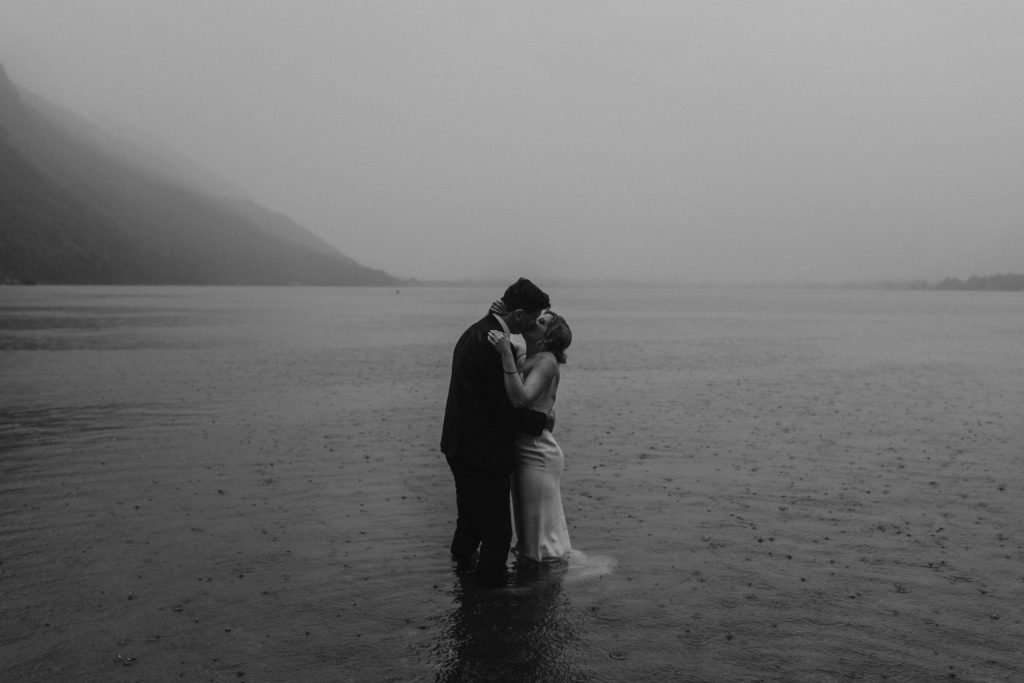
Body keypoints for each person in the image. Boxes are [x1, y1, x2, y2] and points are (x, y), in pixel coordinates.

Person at [440, 277, 552, 585]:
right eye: (532, 316)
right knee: (498, 532)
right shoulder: (489, 343)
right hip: (481, 452)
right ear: (518, 315)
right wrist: (542, 421)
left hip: (459, 444)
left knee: (470, 522)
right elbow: (503, 407)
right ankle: (490, 597)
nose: (533, 322)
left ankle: (462, 584)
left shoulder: (478, 332)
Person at [486, 308, 573, 563]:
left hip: (537, 452)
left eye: (541, 322)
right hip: (526, 448)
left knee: (535, 535)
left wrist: (504, 354)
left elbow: (521, 398)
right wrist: (501, 314)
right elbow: (504, 334)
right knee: (529, 531)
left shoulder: (546, 360)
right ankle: (539, 580)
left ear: (547, 338)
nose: (534, 320)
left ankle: (538, 587)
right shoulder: (528, 356)